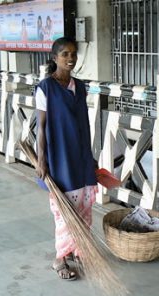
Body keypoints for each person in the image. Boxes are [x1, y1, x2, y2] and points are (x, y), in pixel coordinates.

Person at [35, 37, 98, 281]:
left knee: (84, 205)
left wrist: (90, 155)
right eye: (65, 54)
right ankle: (60, 258)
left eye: (73, 54)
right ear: (54, 58)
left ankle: (79, 251)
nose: (70, 59)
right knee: (64, 209)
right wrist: (42, 160)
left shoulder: (79, 87)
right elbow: (41, 127)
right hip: (59, 155)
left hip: (80, 154)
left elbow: (84, 122)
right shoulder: (45, 88)